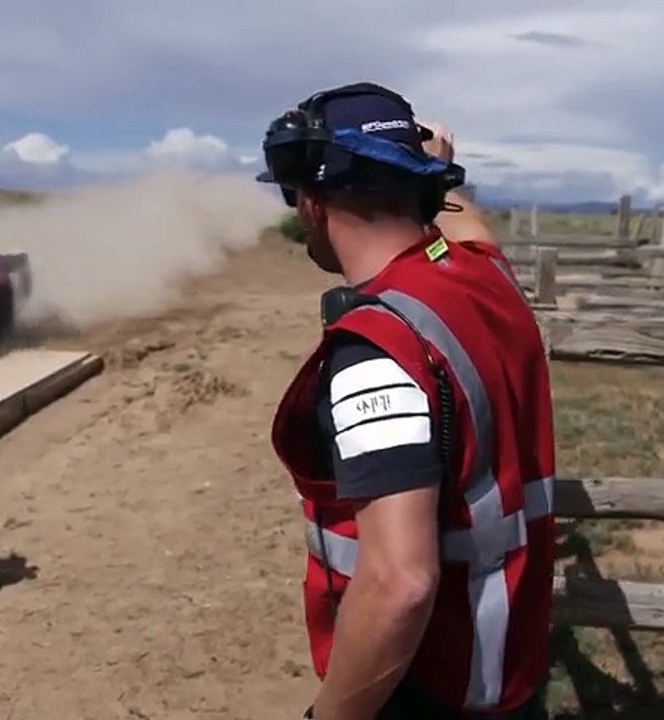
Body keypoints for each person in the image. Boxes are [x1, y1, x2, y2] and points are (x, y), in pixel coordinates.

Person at [257, 82, 557, 719]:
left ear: (311, 204)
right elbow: (468, 227)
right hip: (505, 677)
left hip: (428, 688)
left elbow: (400, 582)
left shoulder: (378, 346)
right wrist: (438, 173)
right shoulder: (481, 276)